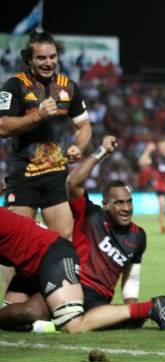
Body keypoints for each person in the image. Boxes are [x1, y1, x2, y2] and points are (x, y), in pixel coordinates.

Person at [0, 136, 165, 332]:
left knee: (32, 312)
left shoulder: (138, 236)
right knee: (22, 313)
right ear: (105, 205)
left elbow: (131, 277)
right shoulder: (90, 214)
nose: (126, 208)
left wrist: (131, 308)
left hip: (96, 296)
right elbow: (73, 183)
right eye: (119, 203)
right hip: (69, 277)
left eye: (129, 202)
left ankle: (49, 324)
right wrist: (101, 152)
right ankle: (46, 325)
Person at [0, 31, 92, 291]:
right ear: (29, 60)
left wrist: (78, 146)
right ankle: (11, 305)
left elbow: (84, 126)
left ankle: (61, 301)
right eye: (41, 57)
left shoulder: (69, 86)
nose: (48, 62)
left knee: (64, 241)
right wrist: (36, 115)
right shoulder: (14, 85)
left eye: (52, 56)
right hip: (23, 178)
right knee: (14, 246)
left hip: (56, 176)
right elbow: (3, 126)